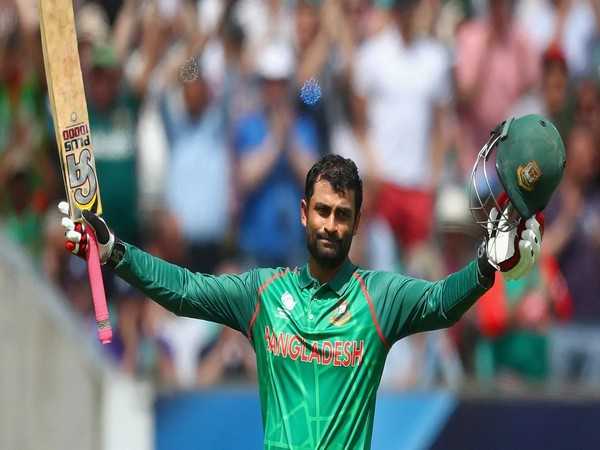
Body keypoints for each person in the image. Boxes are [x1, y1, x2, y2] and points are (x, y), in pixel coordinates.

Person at [59, 152, 543, 449]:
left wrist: (485, 268)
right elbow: (186, 291)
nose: (331, 225)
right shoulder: (265, 294)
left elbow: (441, 302)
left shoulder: (379, 297)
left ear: (356, 222)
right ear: (303, 213)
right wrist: (114, 252)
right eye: (323, 211)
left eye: (342, 215)